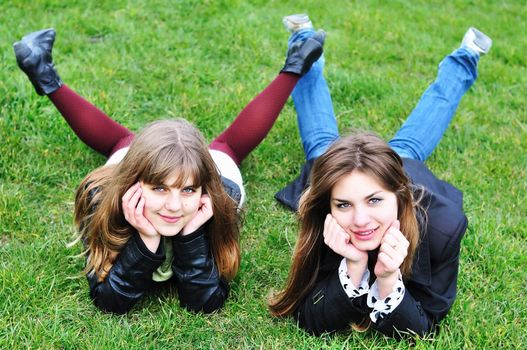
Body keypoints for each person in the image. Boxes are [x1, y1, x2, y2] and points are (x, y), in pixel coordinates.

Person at [13, 27, 325, 314]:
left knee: (224, 150)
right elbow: (110, 301)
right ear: (134, 183)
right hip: (127, 175)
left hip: (208, 180)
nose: (175, 206)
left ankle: (295, 66)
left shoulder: (219, 202)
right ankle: (294, 65)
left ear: (202, 190)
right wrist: (146, 239)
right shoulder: (100, 199)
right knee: (142, 144)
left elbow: (206, 302)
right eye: (159, 188)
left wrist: (191, 236)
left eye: (187, 190)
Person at [269, 15, 492, 338]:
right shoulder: (323, 215)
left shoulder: (444, 227)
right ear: (329, 203)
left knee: (410, 144)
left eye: (374, 200)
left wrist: (388, 278)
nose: (360, 220)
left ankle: (465, 57)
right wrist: (354, 265)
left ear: (400, 194)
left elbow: (423, 326)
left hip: (402, 164)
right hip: (350, 170)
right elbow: (309, 317)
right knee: (320, 145)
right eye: (343, 205)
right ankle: (304, 40)